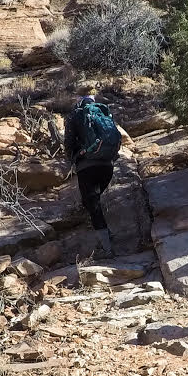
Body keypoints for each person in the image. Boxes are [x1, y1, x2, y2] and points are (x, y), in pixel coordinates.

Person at [64, 95, 122, 258]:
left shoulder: (76, 115)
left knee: (93, 205)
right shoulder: (104, 114)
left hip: (87, 167)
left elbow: (68, 141)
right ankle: (107, 235)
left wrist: (72, 158)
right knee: (91, 203)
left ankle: (107, 249)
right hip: (107, 166)